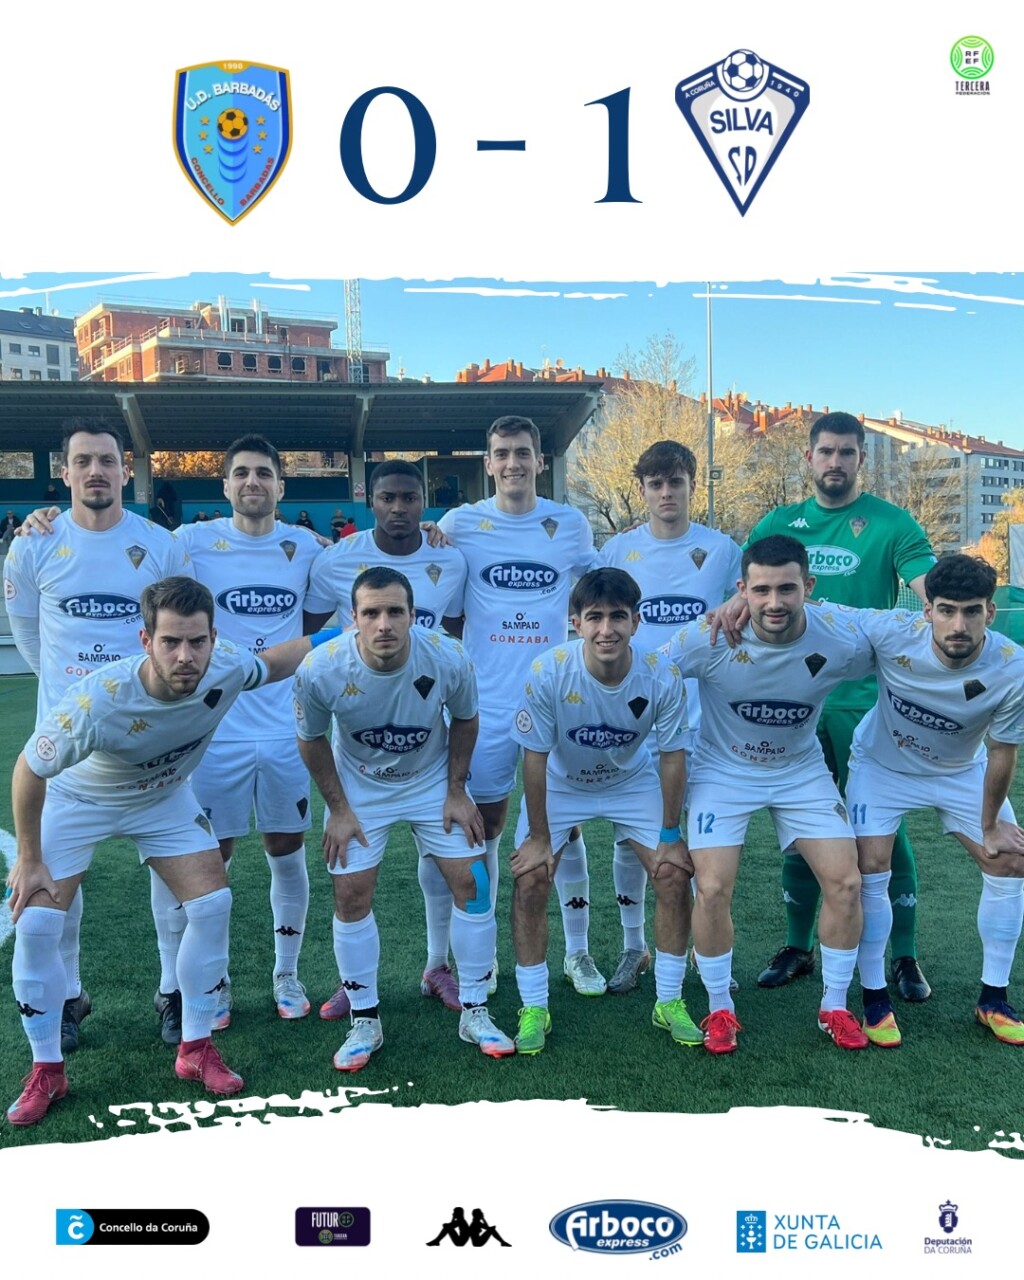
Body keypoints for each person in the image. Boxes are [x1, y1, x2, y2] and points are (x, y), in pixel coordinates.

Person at [4, 576, 327, 1126]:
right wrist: (30, 858)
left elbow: (274, 663)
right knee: (36, 923)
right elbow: (29, 769)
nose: (185, 656)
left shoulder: (226, 666)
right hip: (80, 800)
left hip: (163, 799)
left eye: (197, 641)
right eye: (171, 641)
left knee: (212, 904)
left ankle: (196, 1049)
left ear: (213, 639)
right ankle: (47, 1069)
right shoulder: (99, 700)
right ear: (145, 640)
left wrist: (345, 632)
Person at [718, 411, 936, 1001]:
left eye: (846, 452)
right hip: (790, 702)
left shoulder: (892, 523)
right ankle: (797, 945)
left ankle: (904, 954)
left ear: (861, 459)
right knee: (800, 828)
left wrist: (946, 619)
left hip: (864, 705)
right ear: (808, 458)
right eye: (826, 451)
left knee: (881, 830)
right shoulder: (779, 523)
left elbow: (931, 592)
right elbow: (745, 591)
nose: (835, 461)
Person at [4, 419, 191, 1055]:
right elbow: (30, 637)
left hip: (151, 740)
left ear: (126, 469)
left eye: (107, 460)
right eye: (82, 461)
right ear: (64, 471)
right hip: (69, 746)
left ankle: (173, 991)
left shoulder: (159, 544)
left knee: (171, 867)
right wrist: (76, 700)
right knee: (58, 879)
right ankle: (68, 997)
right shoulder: (34, 545)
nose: (95, 472)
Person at [294, 566, 514, 1070]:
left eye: (395, 611)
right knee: (351, 893)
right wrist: (338, 809)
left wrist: (456, 790)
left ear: (413, 615)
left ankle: (476, 1011)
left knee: (475, 882)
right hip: (360, 788)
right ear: (353, 618)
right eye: (371, 613)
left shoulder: (448, 657)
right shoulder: (321, 668)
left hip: (431, 780)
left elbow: (466, 718)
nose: (384, 623)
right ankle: (365, 1020)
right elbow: (310, 738)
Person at [666, 535, 875, 1054]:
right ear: (742, 589)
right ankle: (720, 1007)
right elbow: (649, 674)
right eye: (760, 590)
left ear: (809, 587)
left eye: (787, 589)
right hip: (723, 771)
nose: (774, 602)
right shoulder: (708, 637)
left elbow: (906, 644)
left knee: (846, 882)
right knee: (712, 887)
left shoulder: (842, 637)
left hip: (799, 771)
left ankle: (834, 1007)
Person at [162, 435, 326, 1035]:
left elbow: (317, 620)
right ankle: (216, 980)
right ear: (225, 484)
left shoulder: (308, 547)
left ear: (282, 485)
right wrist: (42, 521)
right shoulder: (190, 542)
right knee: (213, 860)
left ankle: (287, 974)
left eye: (263, 472)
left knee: (286, 849)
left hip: (285, 729)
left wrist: (436, 532)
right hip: (215, 732)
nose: (252, 482)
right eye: (241, 473)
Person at [437, 416, 602, 995]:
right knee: (481, 826)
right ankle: (475, 959)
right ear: (488, 463)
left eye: (523, 452)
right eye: (502, 453)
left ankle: (577, 954)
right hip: (485, 702)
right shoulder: (460, 524)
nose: (513, 463)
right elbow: (444, 599)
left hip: (554, 697)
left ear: (539, 461)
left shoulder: (569, 523)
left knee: (563, 826)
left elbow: (596, 587)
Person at [304, 459, 469, 1015]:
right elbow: (310, 631)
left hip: (427, 755)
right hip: (360, 761)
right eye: (387, 498)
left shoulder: (450, 556)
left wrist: (456, 784)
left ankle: (441, 967)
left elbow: (454, 639)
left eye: (409, 497)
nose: (398, 508)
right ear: (369, 501)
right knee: (350, 887)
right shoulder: (335, 559)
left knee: (455, 865)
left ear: (424, 501)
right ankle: (355, 988)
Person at [509, 568, 694, 1055]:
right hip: (562, 783)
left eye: (617, 617)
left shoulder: (661, 673)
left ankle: (669, 1000)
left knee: (674, 874)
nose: (606, 629)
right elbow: (534, 758)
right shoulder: (548, 670)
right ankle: (534, 1006)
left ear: (636, 621)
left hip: (630, 782)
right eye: (594, 617)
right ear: (576, 622)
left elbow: (672, 756)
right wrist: (539, 838)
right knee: (530, 878)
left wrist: (670, 833)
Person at [845, 555, 1024, 1047]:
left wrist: (990, 824)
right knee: (869, 866)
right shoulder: (892, 631)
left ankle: (993, 999)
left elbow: (1002, 752)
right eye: (947, 610)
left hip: (961, 770)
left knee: (1009, 860)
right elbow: (820, 610)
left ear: (990, 612)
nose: (958, 625)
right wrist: (737, 604)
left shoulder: (1013, 667)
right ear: (927, 609)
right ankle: (875, 998)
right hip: (882, 768)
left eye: (971, 611)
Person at [598, 440, 741, 994]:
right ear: (641, 490)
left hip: (701, 718)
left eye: (675, 482)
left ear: (691, 486)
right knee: (629, 836)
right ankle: (633, 946)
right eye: (655, 484)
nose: (666, 493)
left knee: (699, 841)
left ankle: (703, 950)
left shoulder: (722, 549)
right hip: (630, 717)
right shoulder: (617, 549)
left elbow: (746, 606)